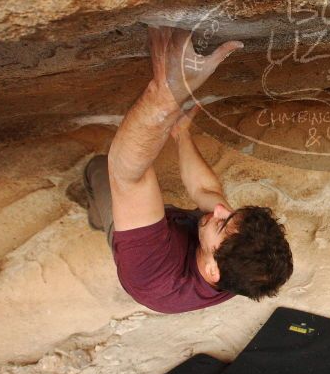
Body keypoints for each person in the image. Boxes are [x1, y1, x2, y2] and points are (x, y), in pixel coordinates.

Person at [82, 25, 293, 314]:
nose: (220, 210)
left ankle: (94, 213)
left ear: (211, 270)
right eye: (230, 215)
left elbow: (129, 176)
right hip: (180, 234)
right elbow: (206, 192)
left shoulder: (151, 270)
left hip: (149, 251)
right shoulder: (239, 266)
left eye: (221, 222)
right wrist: (181, 133)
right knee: (207, 211)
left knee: (100, 170)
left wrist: (164, 94)